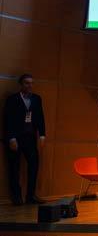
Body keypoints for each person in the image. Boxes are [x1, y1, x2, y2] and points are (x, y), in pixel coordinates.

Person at [4, 74, 46, 205]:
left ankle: (30, 196)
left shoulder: (36, 99)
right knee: (14, 168)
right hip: (16, 138)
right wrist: (11, 138)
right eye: (27, 83)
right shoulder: (12, 99)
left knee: (34, 165)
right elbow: (7, 120)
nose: (30, 85)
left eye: (32, 83)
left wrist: (42, 135)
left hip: (30, 138)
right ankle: (16, 197)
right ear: (21, 84)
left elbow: (40, 117)